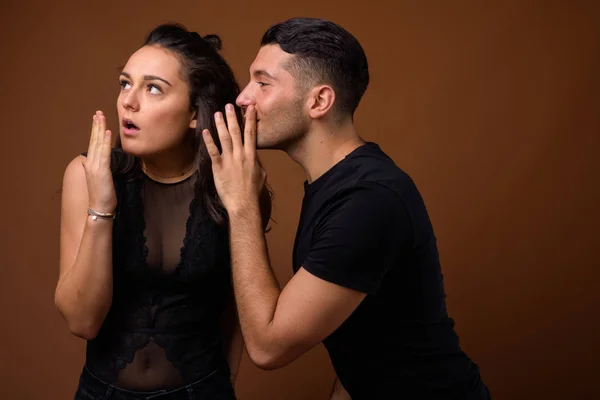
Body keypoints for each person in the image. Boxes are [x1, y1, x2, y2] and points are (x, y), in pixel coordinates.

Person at [201, 17, 491, 399]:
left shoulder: (369, 200)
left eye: (263, 82)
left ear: (319, 101)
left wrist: (241, 207)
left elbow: (267, 346)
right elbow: (365, 347)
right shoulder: (339, 185)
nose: (243, 98)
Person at [56, 23, 271, 400]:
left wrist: (225, 385)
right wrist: (102, 208)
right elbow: (82, 321)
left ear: (194, 114)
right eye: (126, 83)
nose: (128, 101)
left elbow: (235, 308)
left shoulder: (233, 185)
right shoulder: (87, 174)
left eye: (153, 88)